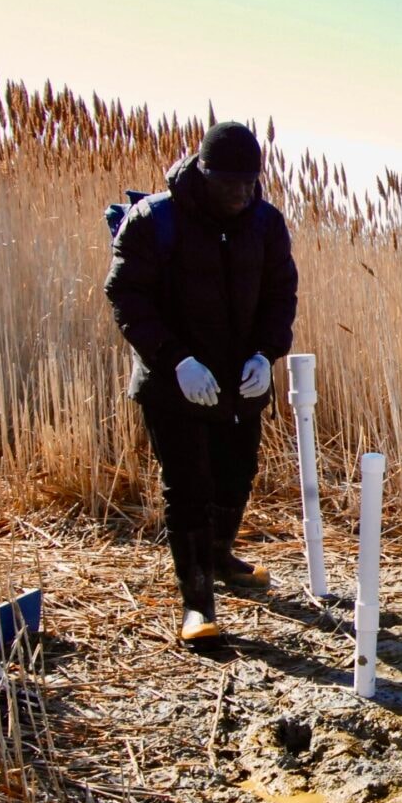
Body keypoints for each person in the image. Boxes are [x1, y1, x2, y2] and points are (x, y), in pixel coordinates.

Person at [105, 121, 299, 643]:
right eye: (229, 183)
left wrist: (266, 354)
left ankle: (218, 557)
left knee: (237, 475)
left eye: (250, 182)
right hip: (174, 382)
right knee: (189, 487)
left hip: (241, 379)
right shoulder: (154, 220)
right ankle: (197, 604)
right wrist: (177, 361)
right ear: (204, 173)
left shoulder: (266, 223)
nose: (241, 193)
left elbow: (281, 295)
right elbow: (126, 297)